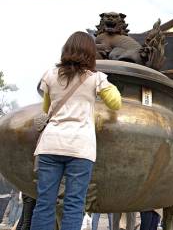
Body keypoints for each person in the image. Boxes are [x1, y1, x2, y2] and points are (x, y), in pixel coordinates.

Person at [30, 31, 122, 230]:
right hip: (80, 147)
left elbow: (45, 109)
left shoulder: (50, 75)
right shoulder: (95, 78)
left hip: (50, 145)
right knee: (74, 205)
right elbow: (115, 103)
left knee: (44, 202)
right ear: (90, 53)